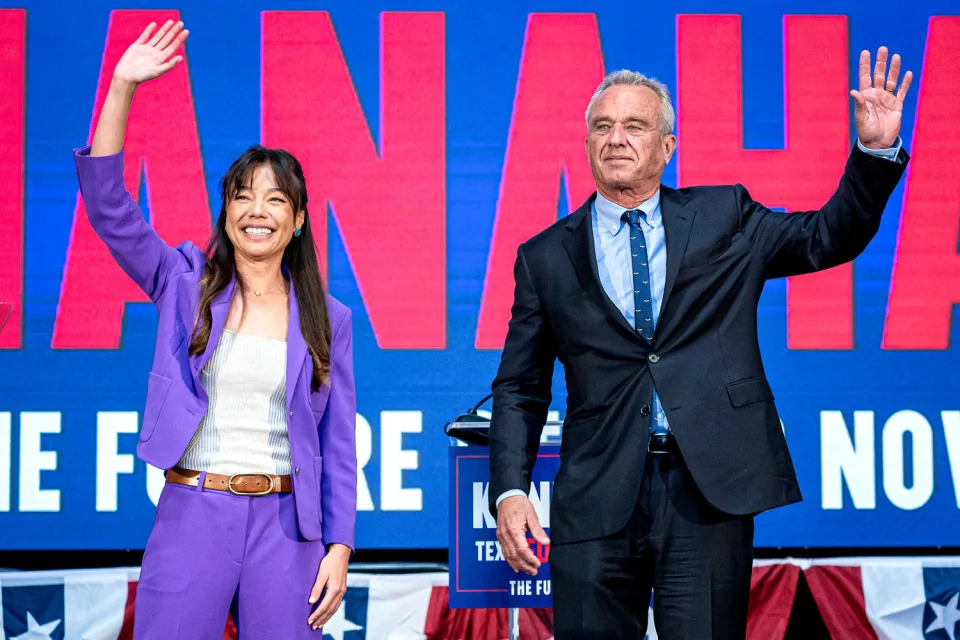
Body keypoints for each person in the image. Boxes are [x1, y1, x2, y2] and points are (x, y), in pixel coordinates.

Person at [489, 48, 911, 638]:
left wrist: (873, 153)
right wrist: (510, 490)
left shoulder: (723, 216)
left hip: (707, 493)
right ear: (586, 145)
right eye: (602, 127)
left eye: (635, 126)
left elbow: (826, 238)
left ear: (667, 148)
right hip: (596, 497)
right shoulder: (544, 257)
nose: (616, 139)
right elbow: (519, 388)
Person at [74, 21, 357, 638]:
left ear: (300, 219)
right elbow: (108, 208)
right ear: (225, 210)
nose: (258, 212)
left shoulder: (329, 317)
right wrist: (122, 84)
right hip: (193, 513)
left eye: (277, 199)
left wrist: (339, 546)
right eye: (243, 197)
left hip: (288, 528)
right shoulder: (182, 282)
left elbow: (337, 441)